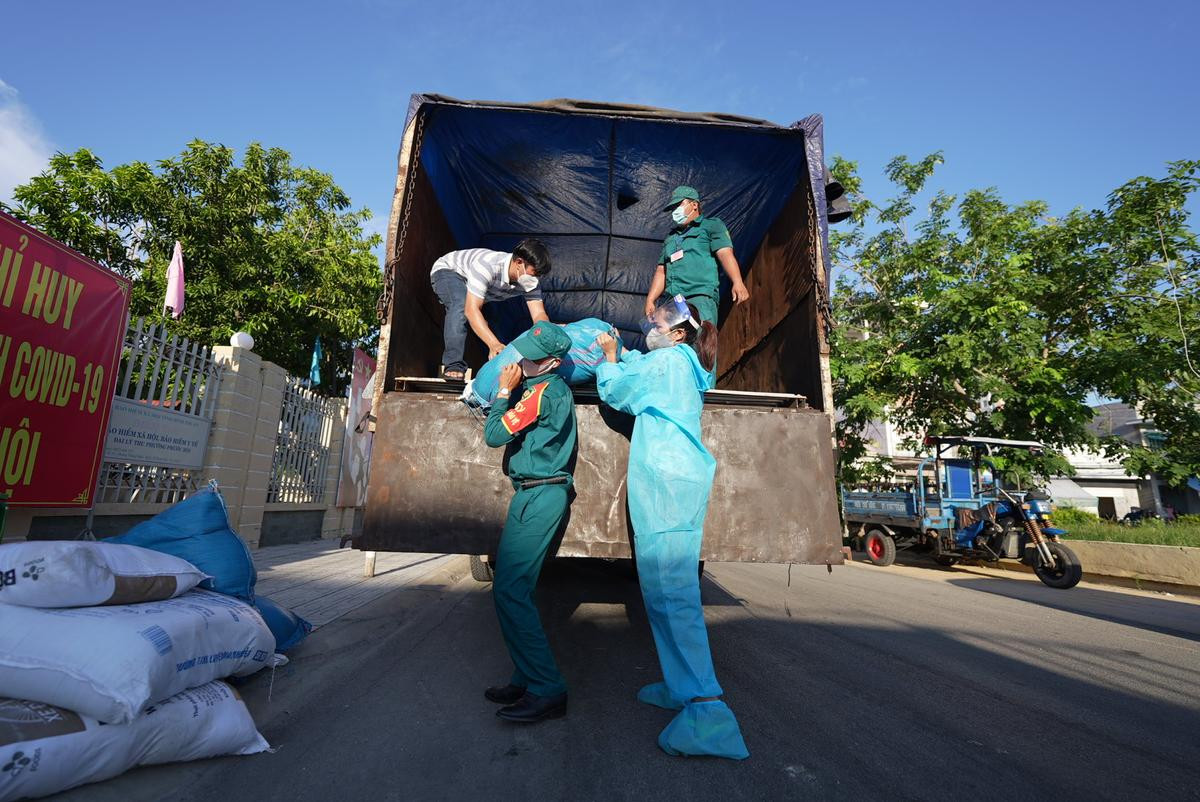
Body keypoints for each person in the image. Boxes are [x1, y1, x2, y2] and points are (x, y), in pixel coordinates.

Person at [594, 295, 749, 760]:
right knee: (661, 593)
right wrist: (626, 357)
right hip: (671, 484)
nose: (649, 326)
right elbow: (644, 368)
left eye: (657, 321)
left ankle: (708, 712)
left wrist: (607, 360)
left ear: (678, 331)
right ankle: (681, 686)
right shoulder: (680, 363)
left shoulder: (667, 365)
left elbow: (619, 391)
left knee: (674, 596)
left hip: (666, 486)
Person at [482, 323, 577, 723]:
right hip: (537, 493)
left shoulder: (542, 392)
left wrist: (504, 390)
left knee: (510, 591)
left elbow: (494, 435)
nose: (520, 361)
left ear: (552, 363)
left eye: (529, 357)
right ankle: (525, 675)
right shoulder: (548, 389)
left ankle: (547, 687)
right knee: (515, 589)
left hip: (539, 495)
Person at [430, 239, 552, 380]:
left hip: (481, 292)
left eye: (539, 275)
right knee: (460, 306)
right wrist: (494, 344)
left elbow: (539, 314)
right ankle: (453, 365)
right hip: (450, 272)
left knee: (492, 323)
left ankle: (487, 372)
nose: (536, 278)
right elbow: (471, 309)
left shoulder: (530, 283)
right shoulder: (488, 266)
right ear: (519, 263)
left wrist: (547, 332)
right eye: (534, 272)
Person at [644, 186, 750, 326]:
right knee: (675, 345)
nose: (675, 211)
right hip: (673, 303)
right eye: (672, 208)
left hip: (700, 298)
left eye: (678, 205)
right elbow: (661, 271)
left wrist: (737, 281)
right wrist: (650, 300)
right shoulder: (670, 238)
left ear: (694, 205)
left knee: (700, 341)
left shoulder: (711, 226)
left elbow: (725, 254)